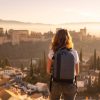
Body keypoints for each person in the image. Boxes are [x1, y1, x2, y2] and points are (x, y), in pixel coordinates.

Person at [47, 29, 79, 100]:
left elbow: (48, 70)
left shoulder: (52, 52)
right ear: (68, 39)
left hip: (56, 83)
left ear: (56, 38)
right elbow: (77, 73)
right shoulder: (74, 52)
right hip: (70, 84)